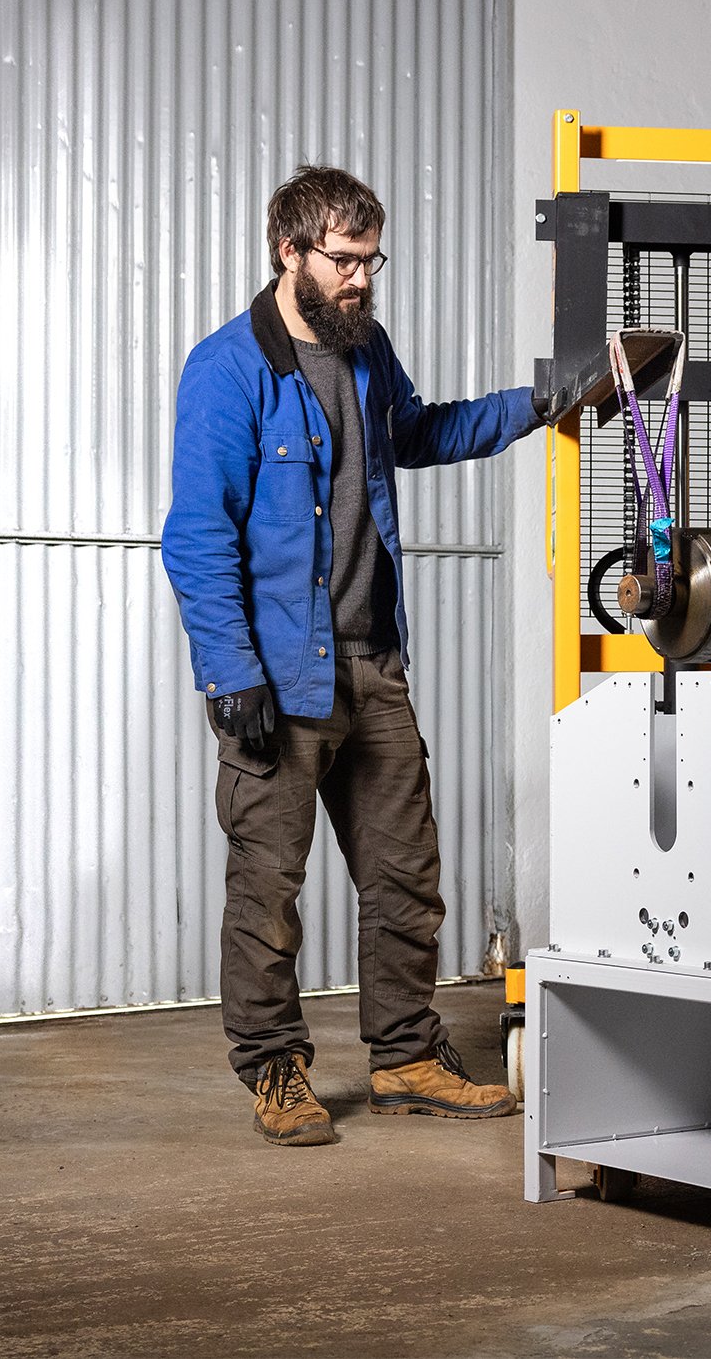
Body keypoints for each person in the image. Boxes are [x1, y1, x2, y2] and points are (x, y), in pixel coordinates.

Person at [162, 165, 543, 1146]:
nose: (363, 279)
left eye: (371, 260)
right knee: (268, 883)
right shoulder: (227, 368)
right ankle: (274, 1067)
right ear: (288, 251)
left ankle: (408, 1057)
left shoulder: (364, 349)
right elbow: (198, 535)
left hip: (370, 660)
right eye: (345, 259)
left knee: (406, 872)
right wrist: (228, 668)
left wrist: (540, 400)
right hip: (278, 675)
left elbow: (415, 432)